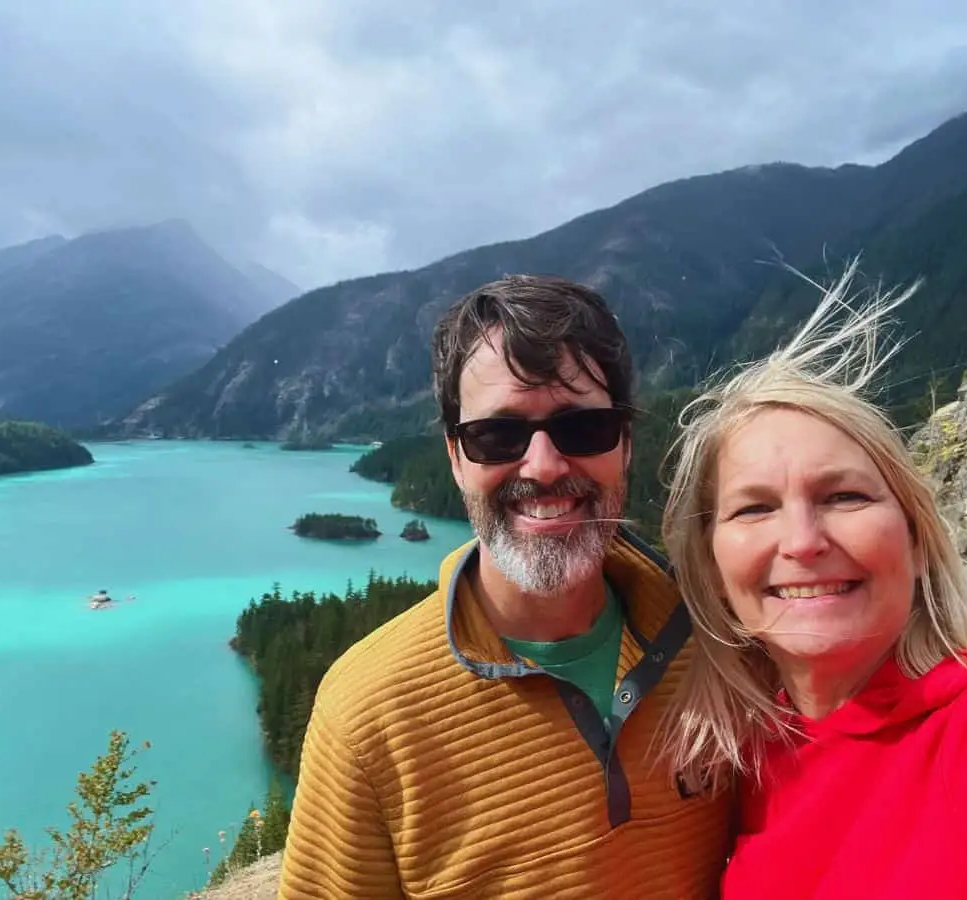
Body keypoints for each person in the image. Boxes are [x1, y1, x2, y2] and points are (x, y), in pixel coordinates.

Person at [277, 275, 733, 898]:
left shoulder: (721, 644)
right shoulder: (367, 715)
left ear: (624, 443)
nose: (544, 466)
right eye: (498, 436)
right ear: (456, 456)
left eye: (583, 429)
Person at [658, 263, 967, 899]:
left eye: (844, 497)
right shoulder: (744, 756)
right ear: (712, 571)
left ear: (915, 537)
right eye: (754, 508)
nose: (804, 542)